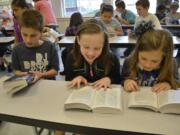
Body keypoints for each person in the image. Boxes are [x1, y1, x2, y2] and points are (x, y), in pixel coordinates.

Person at [65, 20, 121, 89]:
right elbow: (68, 79)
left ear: (104, 44)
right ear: (78, 40)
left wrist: (109, 79)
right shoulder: (71, 57)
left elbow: (118, 79)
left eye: (97, 48)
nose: (90, 53)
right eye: (86, 47)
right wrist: (76, 78)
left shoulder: (112, 59)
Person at [12, 9, 59, 83]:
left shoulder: (50, 47)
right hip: (26, 87)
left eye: (33, 35)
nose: (28, 40)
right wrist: (25, 74)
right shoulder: (17, 49)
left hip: (47, 86)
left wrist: (41, 74)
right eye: (24, 35)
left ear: (41, 32)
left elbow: (55, 70)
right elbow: (16, 70)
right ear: (20, 30)